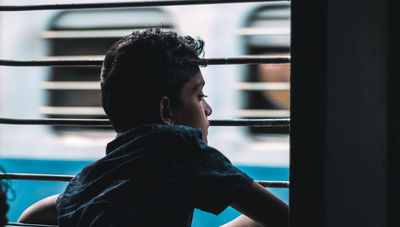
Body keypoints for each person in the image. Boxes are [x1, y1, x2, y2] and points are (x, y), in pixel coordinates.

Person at [18, 29, 288, 227]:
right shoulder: (181, 150)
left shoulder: (96, 175)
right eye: (199, 96)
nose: (208, 109)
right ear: (166, 111)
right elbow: (282, 217)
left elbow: (35, 216)